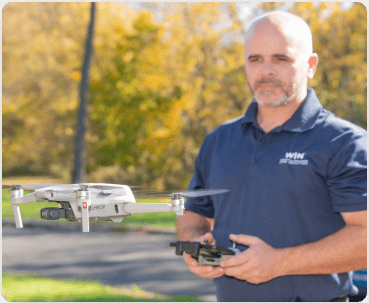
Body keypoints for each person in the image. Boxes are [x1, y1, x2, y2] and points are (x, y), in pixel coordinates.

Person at [176, 10, 367, 302]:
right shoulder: (219, 141)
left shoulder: (344, 143)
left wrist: (280, 262)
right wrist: (196, 247)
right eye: (255, 59)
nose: (266, 70)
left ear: (310, 65)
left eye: (281, 58)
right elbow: (194, 215)